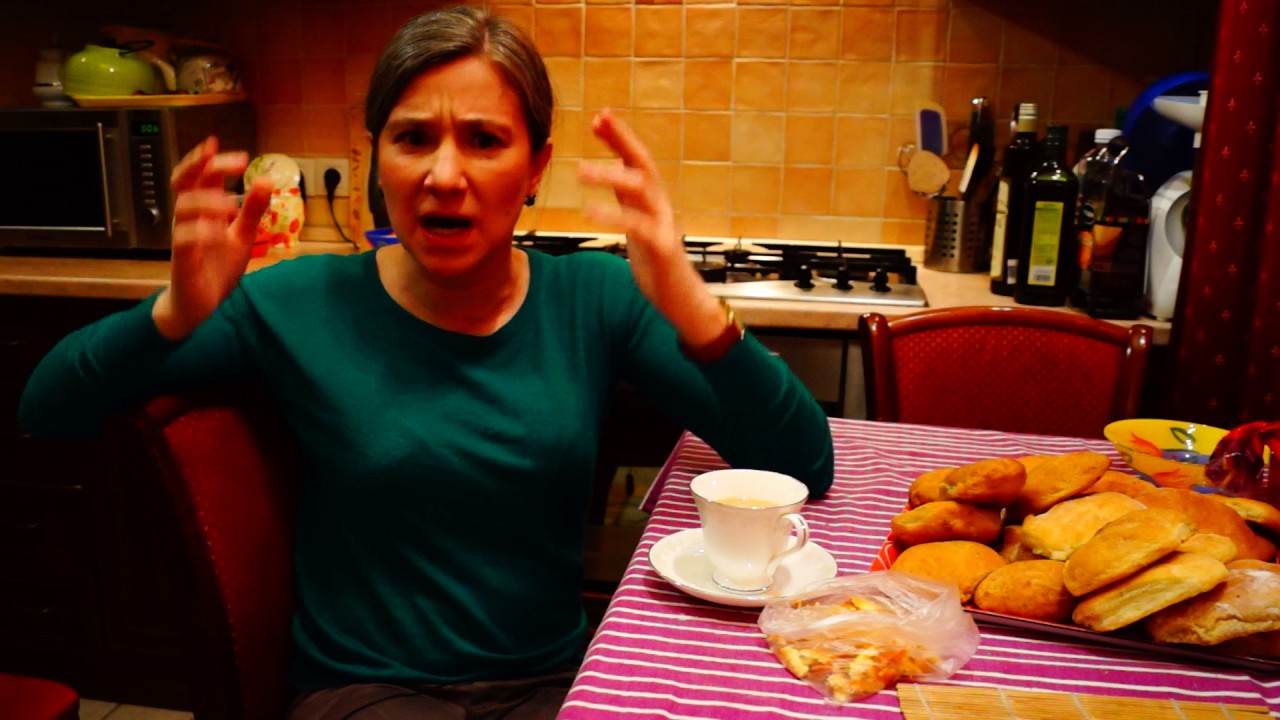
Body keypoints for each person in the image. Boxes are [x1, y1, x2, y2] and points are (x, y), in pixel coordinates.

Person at [19, 6, 833, 719]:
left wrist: (694, 308)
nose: (445, 176)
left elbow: (805, 463)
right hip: (366, 691)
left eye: (485, 140)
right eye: (413, 139)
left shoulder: (594, 298)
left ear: (536, 167)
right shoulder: (294, 303)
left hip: (554, 682)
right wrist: (170, 315)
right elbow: (47, 409)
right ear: (378, 156)